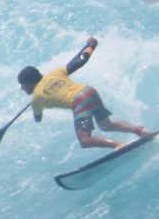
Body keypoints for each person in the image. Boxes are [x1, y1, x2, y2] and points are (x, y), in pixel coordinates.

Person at [18, 36, 149, 151]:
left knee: (85, 140)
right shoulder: (55, 73)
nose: (23, 89)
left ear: (28, 83)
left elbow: (38, 118)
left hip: (79, 101)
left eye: (23, 86)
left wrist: (36, 105)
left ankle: (118, 145)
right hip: (89, 91)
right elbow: (80, 60)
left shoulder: (37, 98)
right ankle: (139, 130)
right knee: (106, 125)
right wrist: (91, 45)